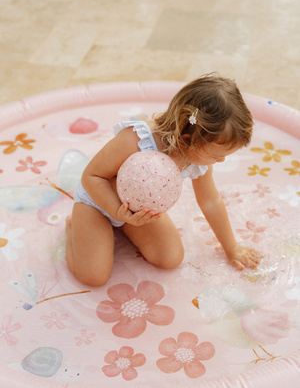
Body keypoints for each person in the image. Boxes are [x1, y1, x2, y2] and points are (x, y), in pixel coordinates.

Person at [66, 74, 262, 286]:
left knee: (170, 258)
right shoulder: (138, 139)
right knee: (93, 277)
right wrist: (115, 211)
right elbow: (92, 176)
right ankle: (73, 229)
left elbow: (210, 201)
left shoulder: (197, 157)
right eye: (216, 155)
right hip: (96, 204)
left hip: (138, 212)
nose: (221, 161)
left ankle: (123, 227)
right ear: (188, 140)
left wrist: (231, 247)